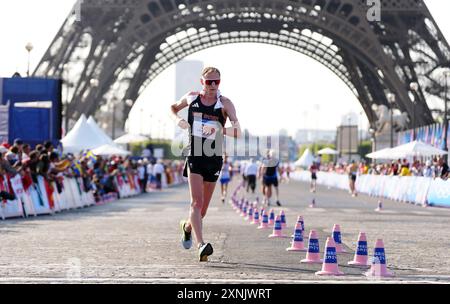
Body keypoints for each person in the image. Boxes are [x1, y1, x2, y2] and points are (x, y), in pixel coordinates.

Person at [170, 67, 241, 261]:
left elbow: (238, 132)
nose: (212, 85)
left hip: (215, 157)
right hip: (195, 154)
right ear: (201, 82)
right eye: (208, 81)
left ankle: (187, 227)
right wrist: (178, 121)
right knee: (196, 202)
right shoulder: (192, 98)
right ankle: (201, 245)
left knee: (202, 211)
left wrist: (219, 129)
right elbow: (173, 108)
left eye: (216, 82)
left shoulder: (225, 103)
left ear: (220, 82)